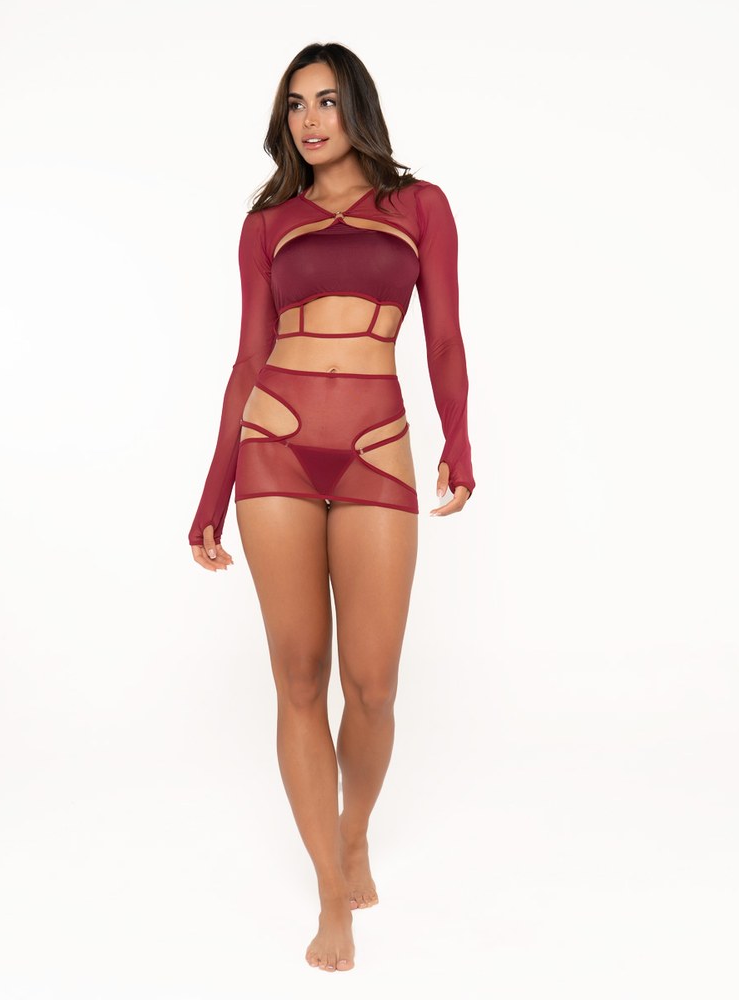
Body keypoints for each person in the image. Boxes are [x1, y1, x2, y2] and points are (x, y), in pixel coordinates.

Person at [188, 41, 475, 973]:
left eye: (325, 101)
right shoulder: (267, 222)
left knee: (374, 686)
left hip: (375, 446)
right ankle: (327, 890)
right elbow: (247, 357)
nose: (309, 120)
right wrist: (212, 492)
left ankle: (356, 831)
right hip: (274, 440)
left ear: (358, 106)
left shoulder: (420, 206)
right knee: (301, 677)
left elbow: (444, 338)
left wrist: (459, 440)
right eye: (295, 105)